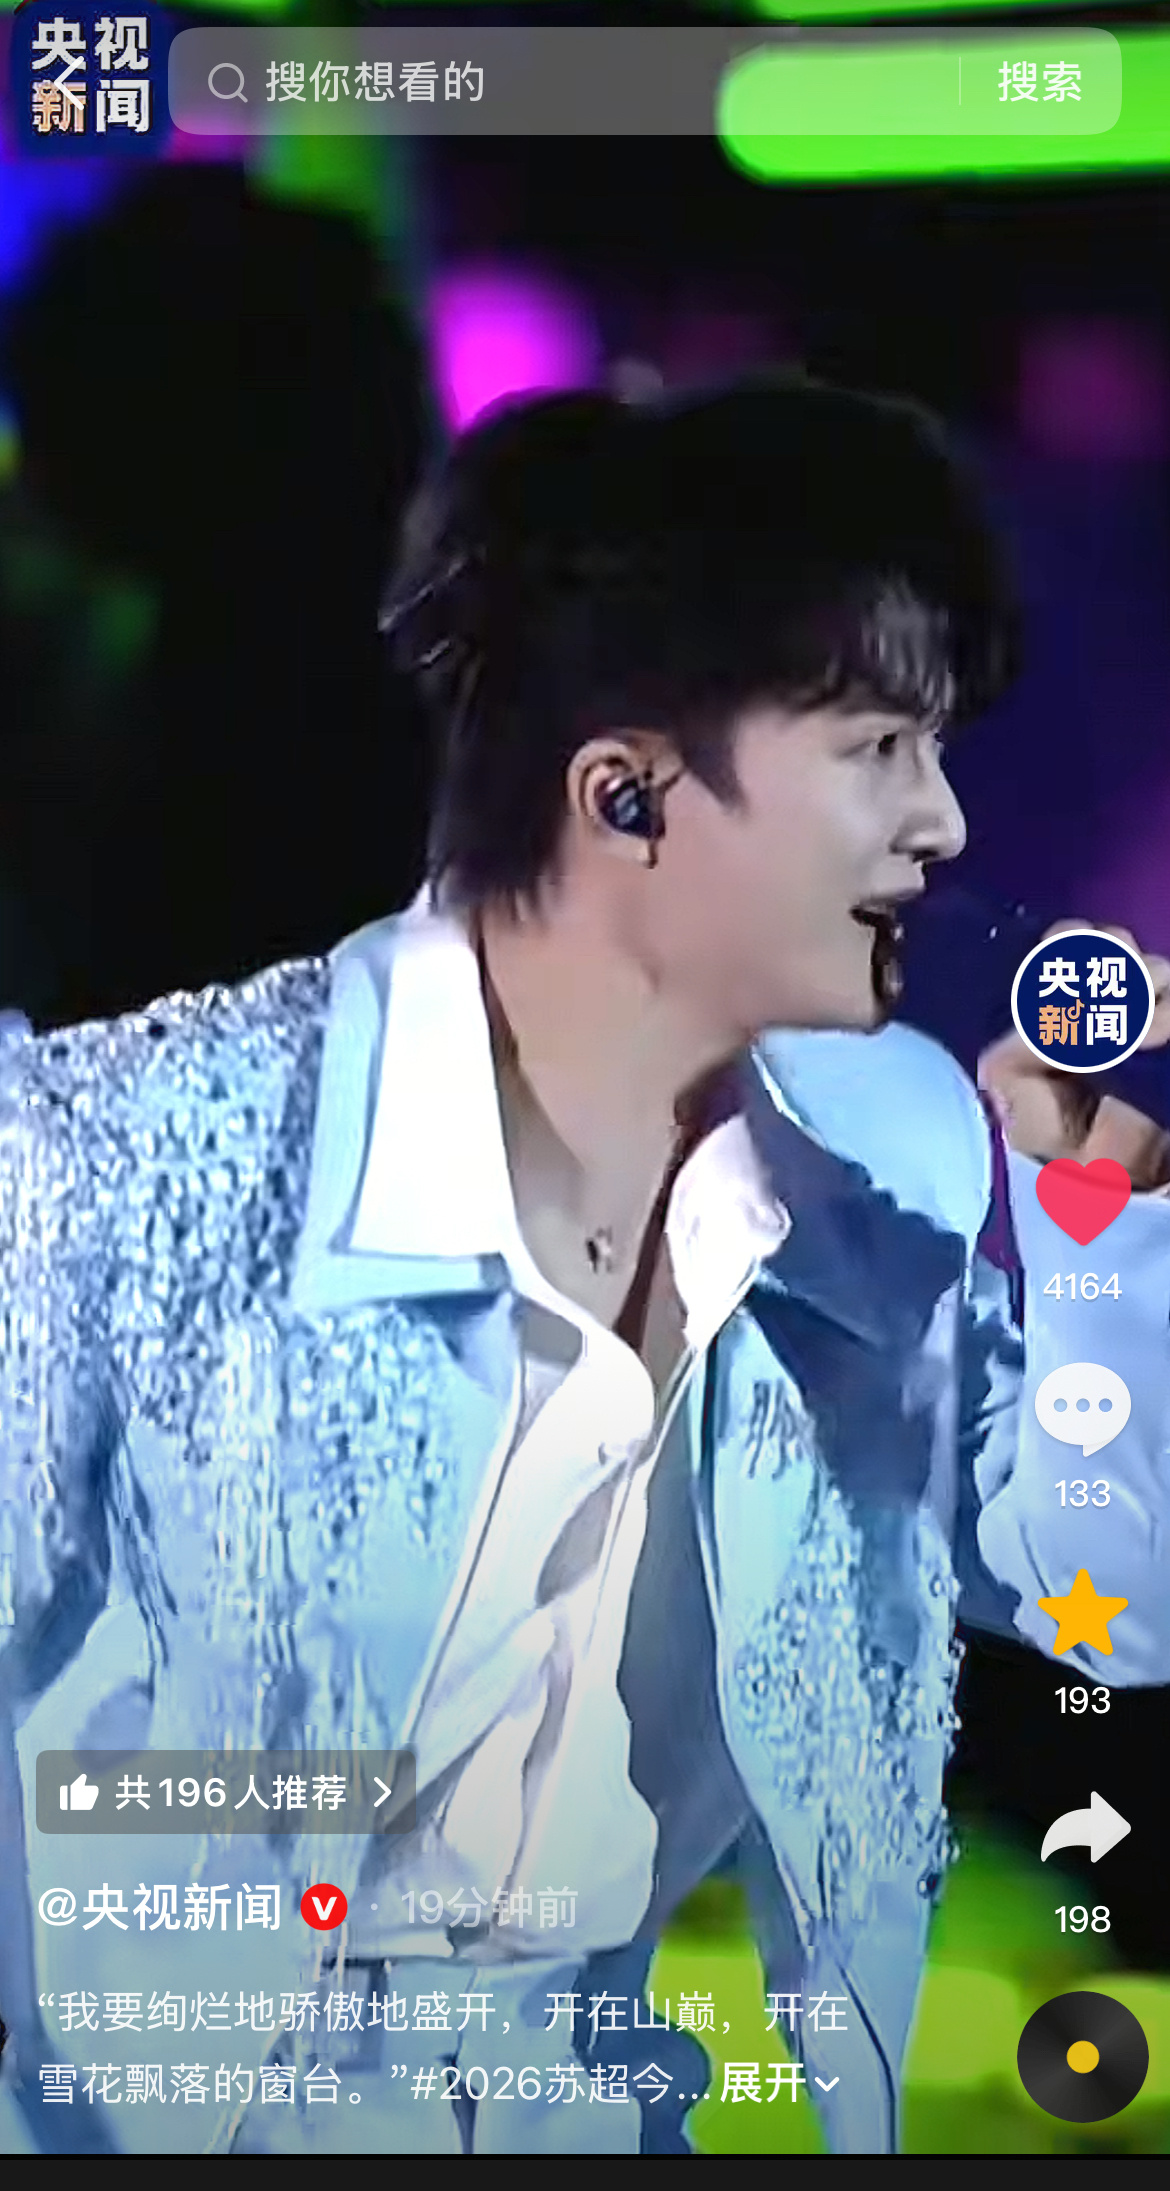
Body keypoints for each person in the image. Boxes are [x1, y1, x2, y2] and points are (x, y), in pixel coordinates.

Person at [2, 373, 1169, 2159]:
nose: (941, 825)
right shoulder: (130, 1158)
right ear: (625, 794)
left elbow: (1111, 1592)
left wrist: (1100, 1239)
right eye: (876, 750)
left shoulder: (878, 1177)